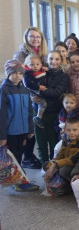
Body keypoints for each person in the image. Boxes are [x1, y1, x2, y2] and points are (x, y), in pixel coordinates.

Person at [0, 60, 39, 191]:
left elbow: (29, 111)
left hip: (23, 130)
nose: (17, 76)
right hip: (10, 131)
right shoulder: (4, 90)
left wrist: (30, 128)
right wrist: (2, 135)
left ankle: (19, 179)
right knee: (15, 156)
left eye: (20, 73)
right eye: (14, 73)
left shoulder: (24, 90)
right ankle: (20, 182)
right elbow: (2, 114)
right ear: (8, 73)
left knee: (20, 155)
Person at [13, 27, 48, 169]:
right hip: (27, 95)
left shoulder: (43, 53)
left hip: (40, 94)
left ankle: (30, 155)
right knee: (28, 129)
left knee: (34, 129)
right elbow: (19, 77)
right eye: (32, 36)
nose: (35, 39)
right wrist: (30, 94)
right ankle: (26, 157)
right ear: (26, 38)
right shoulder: (21, 55)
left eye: (37, 37)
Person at [34, 50, 69, 163]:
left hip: (54, 112)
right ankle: (44, 164)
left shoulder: (64, 77)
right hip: (39, 112)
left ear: (61, 60)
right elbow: (30, 85)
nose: (53, 61)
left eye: (57, 59)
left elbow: (56, 93)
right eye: (51, 59)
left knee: (54, 141)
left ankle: (53, 164)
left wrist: (39, 91)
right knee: (41, 142)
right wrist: (33, 95)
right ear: (46, 60)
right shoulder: (40, 73)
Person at [43, 117, 79, 183]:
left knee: (63, 170)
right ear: (64, 130)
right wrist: (53, 162)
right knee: (46, 165)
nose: (71, 133)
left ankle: (71, 183)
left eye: (75, 130)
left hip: (77, 167)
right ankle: (59, 179)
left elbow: (74, 159)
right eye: (68, 130)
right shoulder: (66, 138)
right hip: (65, 162)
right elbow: (60, 154)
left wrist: (55, 164)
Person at [23, 54, 48, 128]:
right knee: (43, 104)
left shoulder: (41, 70)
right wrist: (38, 87)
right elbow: (28, 84)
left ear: (41, 64)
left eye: (37, 64)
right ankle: (38, 117)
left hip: (41, 91)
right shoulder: (28, 73)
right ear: (27, 65)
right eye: (32, 64)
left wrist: (47, 69)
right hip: (33, 92)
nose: (35, 66)